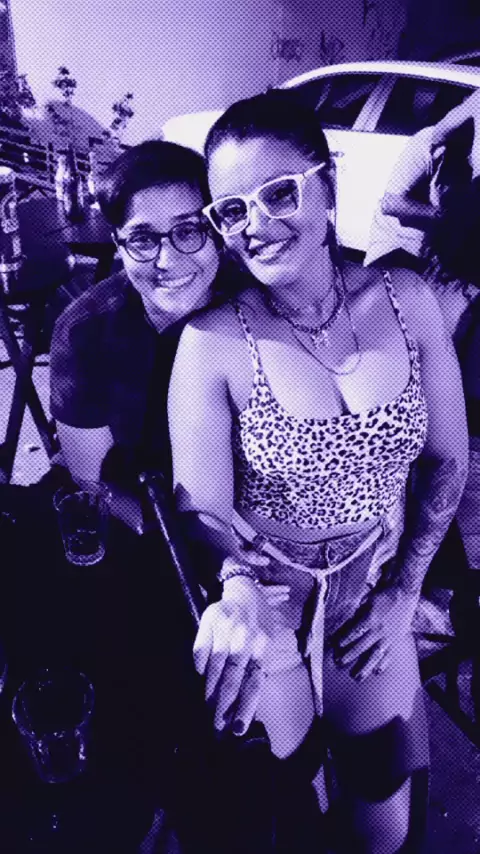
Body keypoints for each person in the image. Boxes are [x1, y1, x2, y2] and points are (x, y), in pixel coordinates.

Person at [168, 89, 469, 854]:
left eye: (279, 193)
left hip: (370, 593)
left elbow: (447, 459)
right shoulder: (213, 341)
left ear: (327, 186)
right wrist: (237, 586)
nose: (256, 224)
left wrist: (403, 593)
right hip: (269, 602)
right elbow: (200, 506)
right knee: (289, 812)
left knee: (384, 818)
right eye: (231, 210)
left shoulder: (407, 301)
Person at [49, 139, 226, 532]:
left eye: (188, 230)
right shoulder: (83, 333)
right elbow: (92, 478)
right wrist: (176, 540)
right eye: (143, 239)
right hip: (135, 515)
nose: (168, 260)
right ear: (118, 244)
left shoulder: (255, 303)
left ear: (215, 230)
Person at [363, 87, 480, 270]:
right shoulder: (427, 142)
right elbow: (390, 204)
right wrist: (445, 217)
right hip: (399, 247)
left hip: (436, 253)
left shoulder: (471, 156)